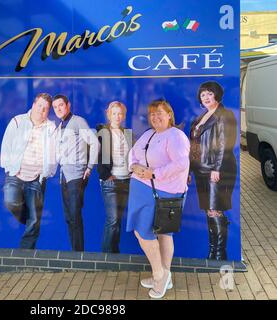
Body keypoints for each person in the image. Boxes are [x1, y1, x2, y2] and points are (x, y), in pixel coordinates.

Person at [126, 99, 190, 299]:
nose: (155, 117)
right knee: (156, 233)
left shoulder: (176, 135)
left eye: (160, 113)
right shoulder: (149, 134)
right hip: (142, 191)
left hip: (163, 192)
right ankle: (164, 276)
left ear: (169, 114)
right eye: (152, 114)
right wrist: (134, 167)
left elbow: (181, 163)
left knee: (148, 233)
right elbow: (133, 154)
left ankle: (159, 274)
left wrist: (154, 173)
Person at [1, 93, 57, 249]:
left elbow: (53, 151)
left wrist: (47, 172)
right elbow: (7, 143)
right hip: (16, 173)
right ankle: (28, 218)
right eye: (39, 106)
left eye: (45, 109)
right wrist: (8, 167)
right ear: (33, 105)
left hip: (37, 177)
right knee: (10, 202)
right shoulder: (17, 121)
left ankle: (26, 251)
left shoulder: (51, 127)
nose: (42, 110)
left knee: (34, 218)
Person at [189, 81, 237, 261]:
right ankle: (213, 252)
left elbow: (225, 144)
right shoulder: (201, 116)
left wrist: (217, 168)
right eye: (203, 95)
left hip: (217, 170)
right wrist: (188, 170)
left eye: (209, 93)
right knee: (209, 210)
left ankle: (219, 254)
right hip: (201, 170)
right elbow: (192, 145)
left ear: (216, 94)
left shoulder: (224, 115)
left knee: (215, 210)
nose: (206, 97)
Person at [52, 94, 100, 252]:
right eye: (55, 107)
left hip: (76, 176)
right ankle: (75, 253)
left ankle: (79, 256)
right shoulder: (60, 126)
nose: (58, 109)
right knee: (69, 218)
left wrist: (89, 167)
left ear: (68, 105)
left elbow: (94, 143)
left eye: (61, 105)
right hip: (64, 176)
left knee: (75, 216)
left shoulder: (77, 121)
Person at [96, 101, 132, 253]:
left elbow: (132, 156)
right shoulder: (103, 132)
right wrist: (106, 176)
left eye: (120, 113)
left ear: (123, 116)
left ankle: (114, 255)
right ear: (109, 115)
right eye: (114, 113)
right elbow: (99, 157)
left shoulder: (127, 133)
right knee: (112, 220)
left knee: (118, 221)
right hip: (111, 181)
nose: (117, 116)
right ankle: (105, 257)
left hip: (126, 180)